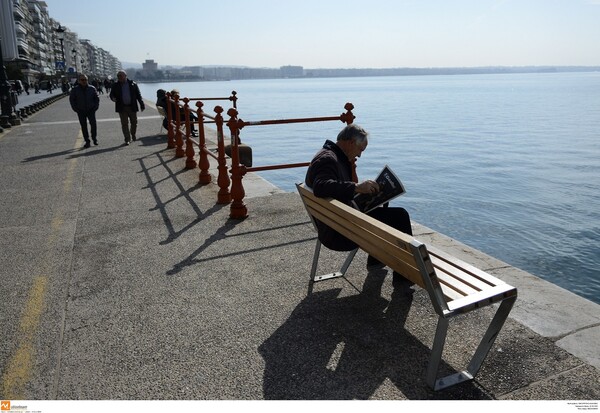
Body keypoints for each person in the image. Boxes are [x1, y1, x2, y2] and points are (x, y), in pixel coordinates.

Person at [305, 123, 414, 293]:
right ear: (349, 143)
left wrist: (364, 191)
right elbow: (321, 187)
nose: (360, 155)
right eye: (360, 149)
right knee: (400, 216)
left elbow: (332, 187)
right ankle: (404, 277)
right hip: (340, 232)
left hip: (337, 220)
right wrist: (356, 187)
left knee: (391, 213)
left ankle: (376, 261)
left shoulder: (332, 155)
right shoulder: (328, 159)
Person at [109, 70, 145, 145]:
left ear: (125, 76)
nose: (119, 77)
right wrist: (113, 98)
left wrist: (142, 104)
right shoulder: (115, 85)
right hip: (122, 108)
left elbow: (138, 95)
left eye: (121, 76)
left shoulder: (133, 84)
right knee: (124, 124)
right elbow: (111, 94)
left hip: (132, 107)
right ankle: (127, 139)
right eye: (118, 76)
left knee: (134, 122)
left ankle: (133, 134)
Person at [69, 74, 100, 148]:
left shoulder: (92, 88)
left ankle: (94, 138)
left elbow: (96, 98)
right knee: (84, 126)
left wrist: (95, 107)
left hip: (91, 109)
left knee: (93, 124)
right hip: (81, 110)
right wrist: (75, 109)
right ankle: (87, 141)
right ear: (79, 81)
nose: (84, 81)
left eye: (85, 80)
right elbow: (72, 99)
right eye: (82, 80)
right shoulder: (75, 89)